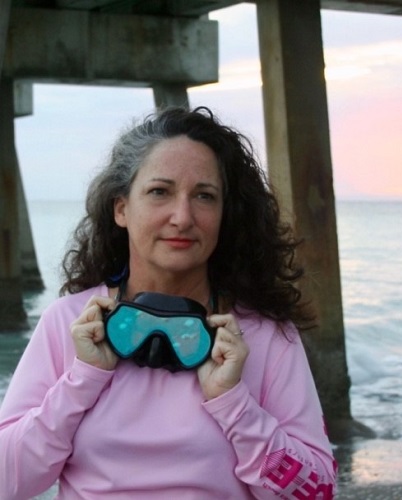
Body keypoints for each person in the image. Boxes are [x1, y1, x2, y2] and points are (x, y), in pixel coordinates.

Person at [0, 106, 337, 499]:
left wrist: (234, 405)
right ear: (121, 208)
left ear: (225, 215)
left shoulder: (265, 336)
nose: (182, 217)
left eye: (204, 196)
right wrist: (82, 381)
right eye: (160, 192)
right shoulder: (71, 324)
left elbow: (315, 493)